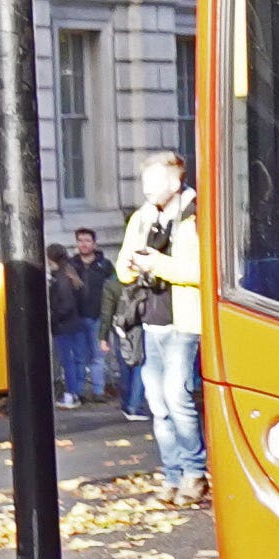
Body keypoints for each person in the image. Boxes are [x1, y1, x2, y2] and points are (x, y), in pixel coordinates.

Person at [114, 152, 205, 504]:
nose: (148, 191)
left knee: (177, 397)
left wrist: (160, 264)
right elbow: (122, 271)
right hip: (151, 322)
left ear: (175, 182)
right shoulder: (141, 217)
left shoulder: (195, 215)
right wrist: (136, 264)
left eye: (154, 184)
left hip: (185, 323)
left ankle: (195, 473)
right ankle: (172, 475)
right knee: (159, 404)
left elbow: (204, 271)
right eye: (144, 184)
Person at [41, 231, 91, 407]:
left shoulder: (61, 278)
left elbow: (65, 303)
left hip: (64, 325)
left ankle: (71, 394)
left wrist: (53, 318)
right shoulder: (69, 272)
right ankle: (77, 392)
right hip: (74, 322)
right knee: (76, 359)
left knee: (67, 361)